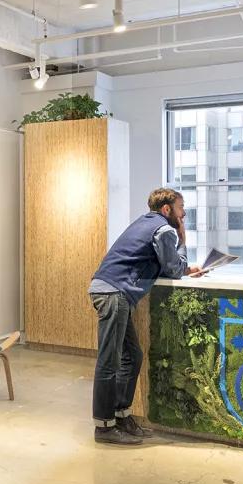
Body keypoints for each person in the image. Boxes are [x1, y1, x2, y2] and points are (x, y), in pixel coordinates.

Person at [88, 187, 201, 446]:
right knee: (110, 360)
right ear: (166, 209)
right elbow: (172, 268)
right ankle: (104, 427)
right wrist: (182, 241)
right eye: (181, 208)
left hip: (115, 291)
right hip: (113, 292)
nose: (183, 214)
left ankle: (121, 415)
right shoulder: (163, 229)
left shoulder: (146, 223)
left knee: (132, 355)